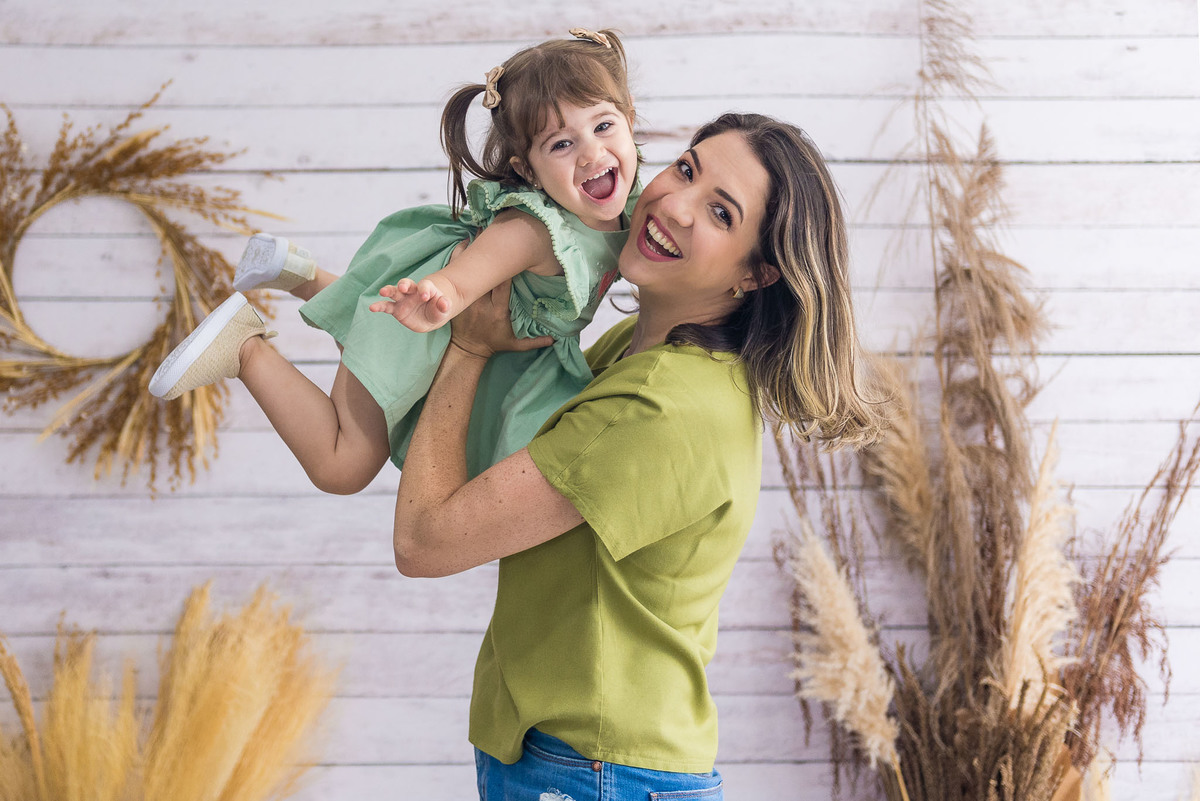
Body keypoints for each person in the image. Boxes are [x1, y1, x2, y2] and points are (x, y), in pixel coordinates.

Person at [384, 112, 886, 801]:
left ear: (757, 272)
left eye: (719, 211)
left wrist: (470, 346)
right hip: (575, 758)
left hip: (595, 770)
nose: (673, 204)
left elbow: (423, 541)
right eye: (686, 168)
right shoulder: (642, 349)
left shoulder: (659, 404)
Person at [148, 28, 641, 488]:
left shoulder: (639, 204)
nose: (592, 153)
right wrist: (437, 296)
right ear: (527, 170)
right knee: (344, 466)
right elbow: (462, 281)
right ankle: (244, 347)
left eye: (603, 125)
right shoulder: (533, 232)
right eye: (561, 144)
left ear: (630, 119)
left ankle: (301, 274)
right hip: (424, 323)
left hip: (461, 333)